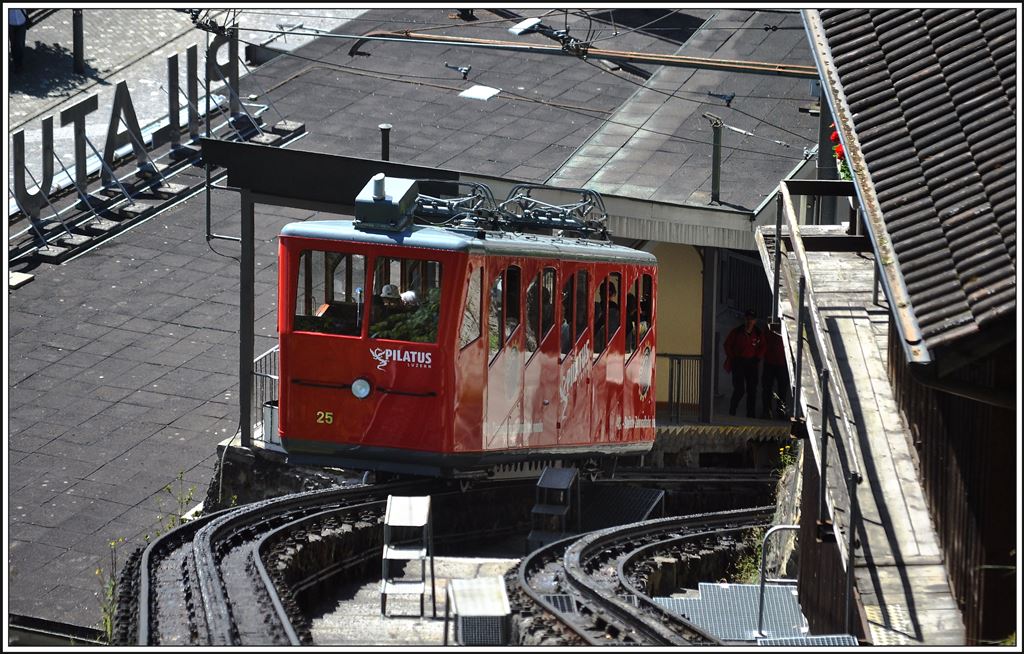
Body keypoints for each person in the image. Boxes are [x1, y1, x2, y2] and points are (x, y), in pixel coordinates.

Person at [723, 309, 765, 418]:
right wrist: (733, 358)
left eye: (752, 319)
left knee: (752, 390)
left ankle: (750, 414)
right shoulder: (736, 332)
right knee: (739, 389)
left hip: (752, 363)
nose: (749, 321)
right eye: (747, 319)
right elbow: (727, 345)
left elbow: (763, 347)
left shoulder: (759, 333)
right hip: (739, 363)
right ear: (744, 319)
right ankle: (732, 411)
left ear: (755, 321)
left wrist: (757, 358)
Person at [762, 327, 790, 419]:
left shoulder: (770, 328)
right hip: (773, 362)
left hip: (777, 363)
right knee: (770, 388)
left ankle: (776, 411)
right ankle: (769, 410)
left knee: (778, 389)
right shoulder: (770, 328)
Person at [9, 8, 28, 73]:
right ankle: (16, 64)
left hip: (21, 21)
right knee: (13, 44)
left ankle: (19, 65)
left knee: (20, 44)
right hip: (10, 23)